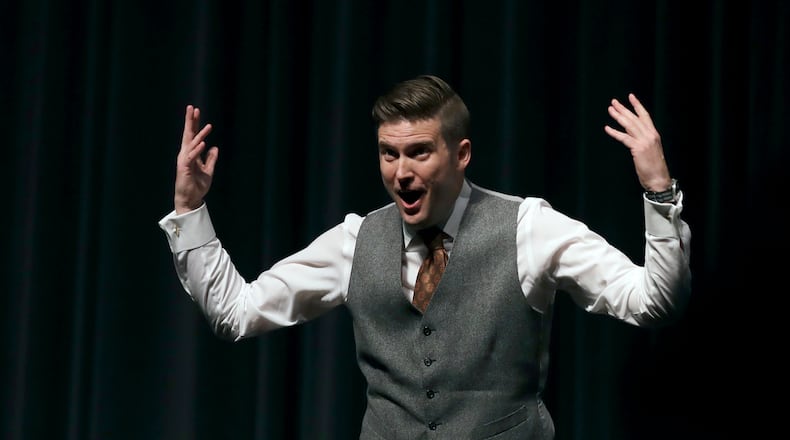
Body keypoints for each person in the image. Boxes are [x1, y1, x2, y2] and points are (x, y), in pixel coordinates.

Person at [159, 74, 691, 439]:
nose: (401, 172)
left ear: (460, 155)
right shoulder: (355, 239)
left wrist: (659, 190)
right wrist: (189, 210)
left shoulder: (528, 228)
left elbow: (652, 302)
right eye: (389, 154)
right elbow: (237, 314)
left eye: (419, 152)